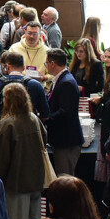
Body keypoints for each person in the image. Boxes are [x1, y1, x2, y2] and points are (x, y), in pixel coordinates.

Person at [0, 82, 49, 219]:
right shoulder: (34, 119)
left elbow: (0, 160)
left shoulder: (7, 125)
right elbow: (44, 139)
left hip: (16, 184)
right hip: (36, 180)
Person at [43, 49, 83, 177]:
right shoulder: (61, 79)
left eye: (46, 63)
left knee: (65, 178)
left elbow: (66, 111)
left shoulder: (66, 82)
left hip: (67, 141)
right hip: (62, 139)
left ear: (52, 63)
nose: (46, 66)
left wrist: (47, 118)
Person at [0, 52, 49, 120]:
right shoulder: (36, 85)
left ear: (7, 66)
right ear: (23, 68)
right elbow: (45, 115)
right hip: (29, 124)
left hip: (4, 123)